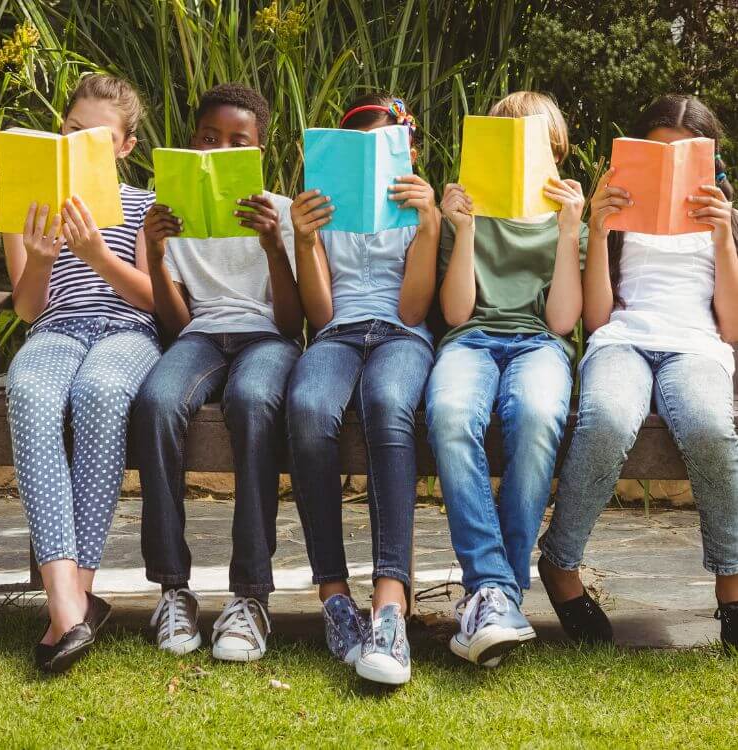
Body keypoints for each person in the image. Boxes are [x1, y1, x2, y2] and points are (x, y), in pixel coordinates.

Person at [538, 94, 738, 653]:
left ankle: (732, 588)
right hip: (623, 340)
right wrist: (599, 232)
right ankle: (560, 565)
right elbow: (599, 318)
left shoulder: (723, 221)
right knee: (605, 418)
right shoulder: (618, 215)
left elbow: (732, 326)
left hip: (696, 345)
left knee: (708, 425)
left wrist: (724, 239)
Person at [133, 83, 303, 662]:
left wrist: (273, 245)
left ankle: (250, 595)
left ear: (258, 150)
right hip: (200, 335)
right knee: (156, 401)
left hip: (265, 338)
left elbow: (290, 323)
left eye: (238, 142)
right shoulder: (172, 213)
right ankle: (172, 588)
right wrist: (155, 256)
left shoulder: (277, 211)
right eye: (209, 138)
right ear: (192, 143)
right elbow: (177, 327)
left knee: (255, 401)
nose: (219, 149)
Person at [3, 74, 160, 673]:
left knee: (100, 391)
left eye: (94, 136)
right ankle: (69, 604)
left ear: (123, 147)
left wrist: (98, 255)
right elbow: (27, 308)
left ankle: (71, 603)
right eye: (70, 129)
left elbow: (153, 301)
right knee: (29, 387)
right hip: (57, 328)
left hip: (127, 331)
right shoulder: (28, 205)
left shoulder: (144, 206)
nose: (76, 140)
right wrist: (42, 259)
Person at [426, 91, 588, 666]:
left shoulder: (565, 216)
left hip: (539, 342)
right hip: (471, 338)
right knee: (448, 415)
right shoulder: (465, 209)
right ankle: (496, 589)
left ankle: (496, 593)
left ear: (555, 150)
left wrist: (569, 232)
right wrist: (464, 229)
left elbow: (562, 322)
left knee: (540, 414)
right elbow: (455, 314)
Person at [286, 94, 439, 685]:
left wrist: (426, 228)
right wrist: (305, 240)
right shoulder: (328, 211)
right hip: (339, 333)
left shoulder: (417, 210)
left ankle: (390, 604)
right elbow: (321, 316)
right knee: (307, 407)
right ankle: (333, 596)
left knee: (388, 403)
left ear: (406, 150)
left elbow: (413, 307)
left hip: (401, 332)